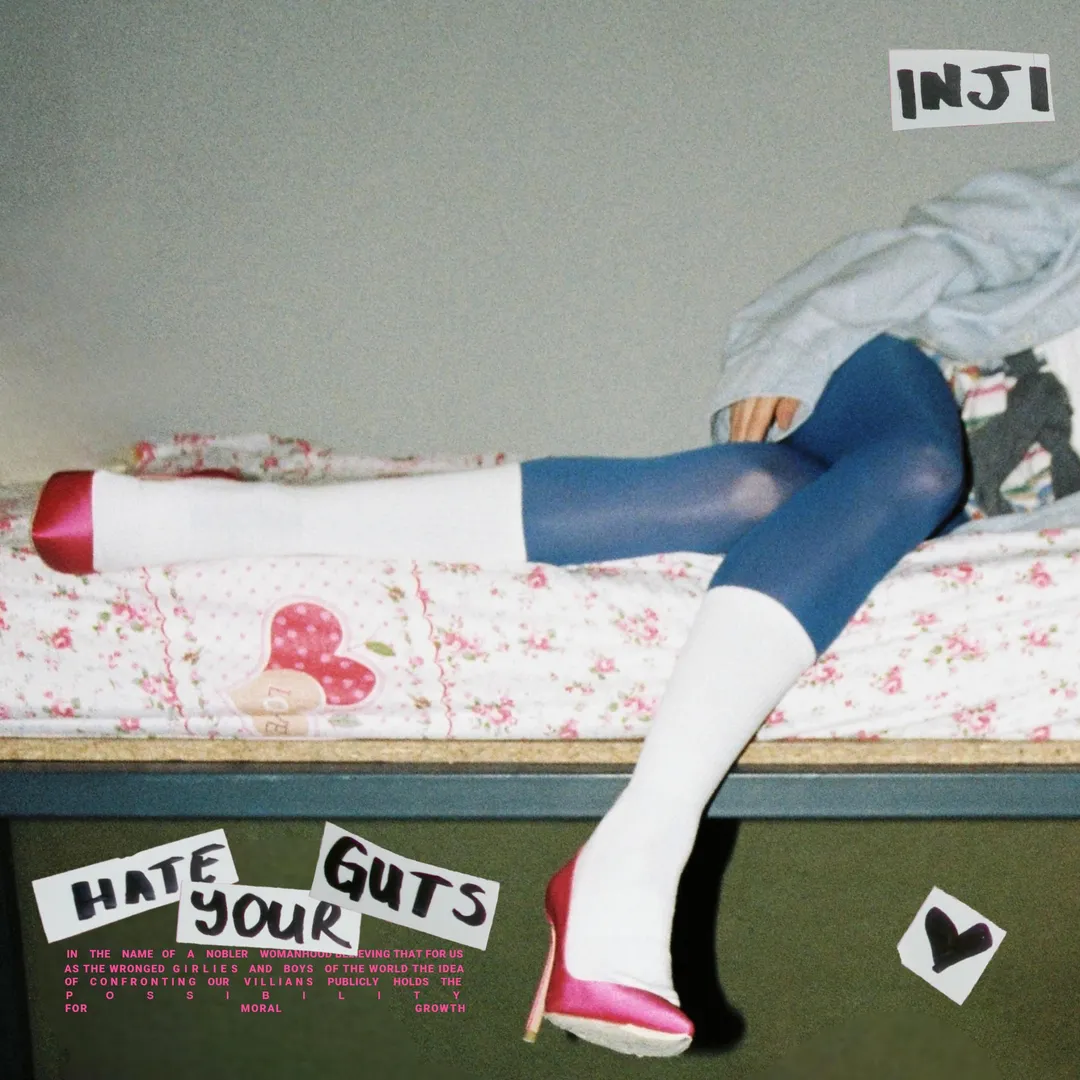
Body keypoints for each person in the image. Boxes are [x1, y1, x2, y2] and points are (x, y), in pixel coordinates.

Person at [30, 159, 1080, 1058]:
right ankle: (637, 851)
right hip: (892, 380)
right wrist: (785, 355)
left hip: (902, 504)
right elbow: (937, 246)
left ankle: (214, 522)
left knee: (754, 495)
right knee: (918, 466)